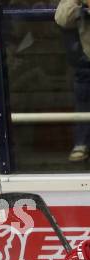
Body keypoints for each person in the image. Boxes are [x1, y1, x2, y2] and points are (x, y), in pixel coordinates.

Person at [55, 0, 90, 162]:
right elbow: (61, 17)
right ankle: (82, 142)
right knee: (83, 94)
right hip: (86, 61)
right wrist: (81, 7)